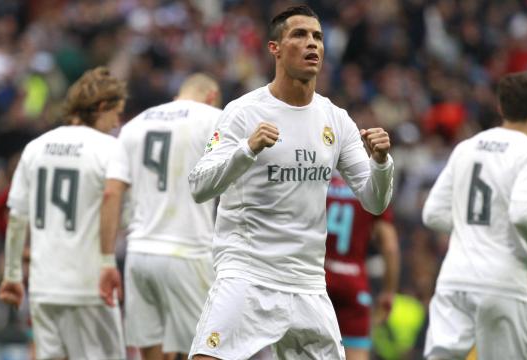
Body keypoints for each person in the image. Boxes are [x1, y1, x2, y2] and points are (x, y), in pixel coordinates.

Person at [187, 5, 393, 360]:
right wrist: (246, 150)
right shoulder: (244, 111)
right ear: (275, 48)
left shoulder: (336, 119)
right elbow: (199, 186)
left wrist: (381, 163)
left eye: (318, 37)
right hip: (249, 273)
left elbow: (375, 202)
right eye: (299, 35)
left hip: (308, 283)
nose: (312, 43)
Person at [421, 71, 527, 360]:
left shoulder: (466, 148)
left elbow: (432, 213)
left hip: (454, 279)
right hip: (502, 283)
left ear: (500, 108)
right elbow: (522, 213)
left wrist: (471, 230)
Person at [0, 66, 127, 360]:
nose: (116, 122)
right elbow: (115, 201)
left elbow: (17, 216)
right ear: (101, 106)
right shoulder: (110, 149)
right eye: (115, 112)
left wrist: (13, 275)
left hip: (44, 287)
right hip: (90, 285)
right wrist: (108, 262)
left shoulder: (34, 148)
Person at [99, 73, 223, 360]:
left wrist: (106, 259)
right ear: (211, 96)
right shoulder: (215, 118)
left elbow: (112, 192)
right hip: (189, 252)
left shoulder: (135, 124)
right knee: (207, 351)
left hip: (140, 253)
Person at [325, 173, 399, 360]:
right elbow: (389, 247)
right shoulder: (369, 186)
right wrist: (388, 292)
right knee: (356, 353)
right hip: (353, 283)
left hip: (317, 280)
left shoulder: (317, 178)